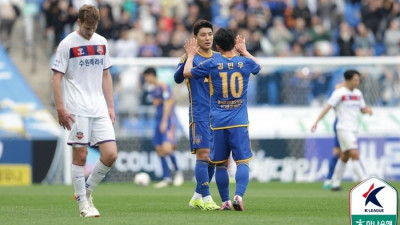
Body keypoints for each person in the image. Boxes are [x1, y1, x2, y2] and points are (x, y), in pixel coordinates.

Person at [183, 28, 261, 211]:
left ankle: (225, 201)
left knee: (220, 165)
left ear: (217, 46)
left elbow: (187, 72)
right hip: (239, 121)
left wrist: (190, 54)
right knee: (242, 162)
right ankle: (238, 196)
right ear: (234, 43)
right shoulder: (245, 63)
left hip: (217, 123)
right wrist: (244, 51)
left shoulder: (212, 63)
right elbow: (259, 66)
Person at [51, 5, 117, 217]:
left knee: (110, 154)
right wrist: (60, 108)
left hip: (98, 107)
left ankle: (86, 191)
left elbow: (106, 75)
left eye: (93, 27)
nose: (90, 32)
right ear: (79, 22)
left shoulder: (102, 42)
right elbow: (56, 77)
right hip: (76, 108)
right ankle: (83, 207)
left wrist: (110, 105)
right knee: (81, 155)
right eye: (87, 28)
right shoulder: (67, 44)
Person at [174, 20, 220, 210]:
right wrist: (190, 55)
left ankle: (196, 196)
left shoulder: (218, 57)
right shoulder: (189, 57)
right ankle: (207, 198)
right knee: (203, 155)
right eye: (203, 35)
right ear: (195, 38)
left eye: (210, 34)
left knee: (214, 158)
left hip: (218, 115)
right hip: (199, 113)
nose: (207, 38)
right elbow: (177, 78)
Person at [311, 70, 372, 191]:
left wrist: (368, 110)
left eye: (358, 80)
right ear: (348, 80)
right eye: (355, 80)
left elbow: (362, 109)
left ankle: (335, 183)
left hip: (354, 129)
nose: (357, 82)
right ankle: (365, 182)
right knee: (354, 153)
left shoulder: (358, 94)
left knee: (344, 156)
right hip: (343, 128)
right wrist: (317, 121)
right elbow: (327, 107)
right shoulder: (339, 93)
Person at [142, 67, 183, 188]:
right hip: (158, 121)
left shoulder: (164, 86)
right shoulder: (152, 90)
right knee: (159, 150)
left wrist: (165, 121)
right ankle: (167, 178)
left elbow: (168, 104)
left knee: (167, 149)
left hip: (168, 121)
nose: (146, 80)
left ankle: (178, 173)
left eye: (146, 77)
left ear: (151, 75)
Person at [323, 82, 344, 190]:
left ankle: (330, 180)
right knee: (349, 153)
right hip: (342, 124)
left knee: (340, 153)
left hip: (344, 124)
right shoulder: (339, 90)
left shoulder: (347, 90)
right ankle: (331, 180)